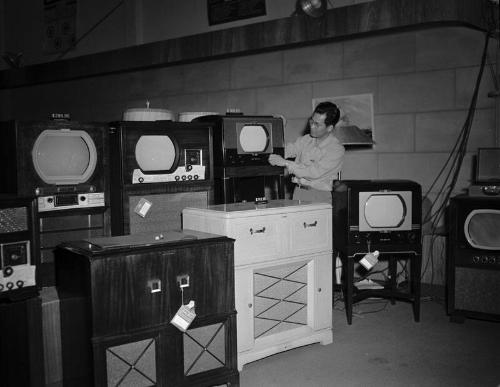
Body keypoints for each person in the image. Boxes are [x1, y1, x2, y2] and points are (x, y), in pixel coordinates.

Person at [268, 101, 345, 204]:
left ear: (329, 128)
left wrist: (286, 163)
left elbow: (312, 173)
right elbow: (284, 151)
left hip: (318, 196)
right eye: (311, 121)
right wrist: (278, 129)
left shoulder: (336, 149)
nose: (312, 126)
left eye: (317, 124)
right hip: (298, 192)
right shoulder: (306, 140)